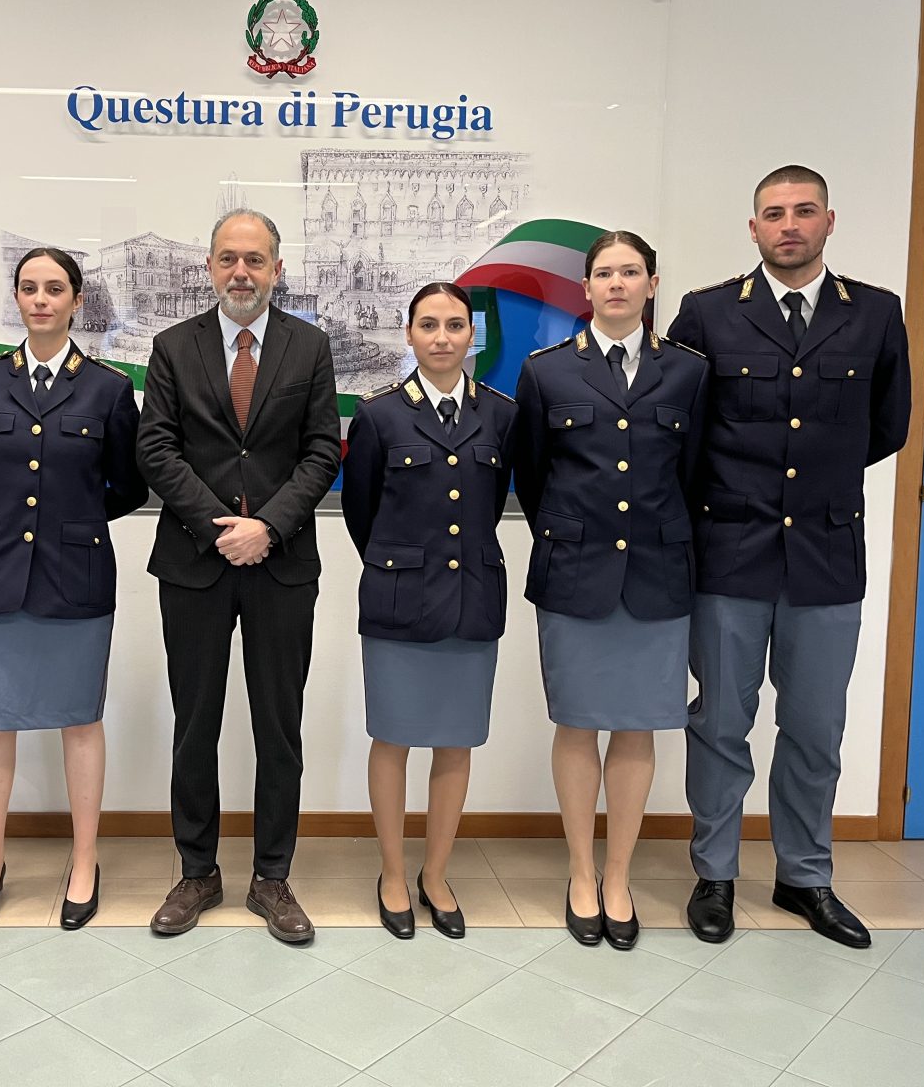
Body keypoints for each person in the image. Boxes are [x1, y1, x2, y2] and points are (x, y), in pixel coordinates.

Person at [668, 167, 911, 948]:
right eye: (774, 214)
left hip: (825, 557)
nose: (789, 225)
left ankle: (805, 876)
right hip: (729, 553)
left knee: (814, 728)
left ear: (829, 221)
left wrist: (810, 487)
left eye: (804, 211)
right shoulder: (707, 313)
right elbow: (680, 428)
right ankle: (715, 874)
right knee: (720, 723)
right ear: (754, 229)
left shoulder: (875, 313)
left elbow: (888, 425)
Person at [137, 209, 341, 943]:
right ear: (210, 267)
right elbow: (156, 448)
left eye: (255, 260)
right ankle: (197, 872)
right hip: (194, 562)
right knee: (195, 723)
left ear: (277, 269)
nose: (241, 272)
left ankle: (272, 877)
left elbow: (323, 450)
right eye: (228, 258)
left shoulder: (310, 347)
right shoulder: (173, 346)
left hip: (282, 564)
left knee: (278, 727)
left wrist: (269, 527)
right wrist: (221, 526)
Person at [0, 248, 147, 930]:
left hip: (74, 577)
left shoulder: (108, 389)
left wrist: (71, 524)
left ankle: (84, 860)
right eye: (29, 288)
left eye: (55, 288)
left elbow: (129, 485)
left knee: (80, 720)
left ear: (78, 301)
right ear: (17, 299)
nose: (41, 299)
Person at [512, 232, 709, 951]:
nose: (617, 284)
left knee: (636, 728)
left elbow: (694, 473)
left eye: (631, 272)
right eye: (604, 273)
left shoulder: (687, 371)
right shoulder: (546, 371)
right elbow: (532, 475)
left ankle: (618, 877)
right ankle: (580, 873)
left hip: (657, 574)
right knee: (577, 724)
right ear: (586, 287)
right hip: (575, 573)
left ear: (652, 284)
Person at [340, 282, 517, 940]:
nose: (442, 337)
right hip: (399, 601)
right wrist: (402, 563)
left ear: (472, 335)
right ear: (409, 334)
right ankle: (392, 872)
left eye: (455, 325)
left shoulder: (501, 414)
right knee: (392, 738)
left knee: (455, 740)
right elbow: (362, 514)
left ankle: (435, 874)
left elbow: (493, 500)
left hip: (472, 597)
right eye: (429, 325)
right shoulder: (379, 414)